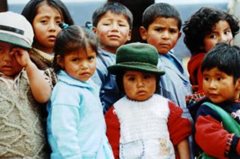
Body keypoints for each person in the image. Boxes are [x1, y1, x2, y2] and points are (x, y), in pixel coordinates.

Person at [105, 42, 192, 159]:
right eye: (131, 79)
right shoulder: (116, 112)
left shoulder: (167, 108)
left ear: (156, 80)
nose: (140, 84)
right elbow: (111, 148)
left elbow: (181, 138)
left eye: (146, 77)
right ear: (121, 81)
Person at [47, 24, 114, 159]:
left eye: (90, 58)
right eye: (76, 60)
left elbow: (97, 131)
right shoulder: (65, 92)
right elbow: (65, 134)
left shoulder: (88, 85)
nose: (85, 66)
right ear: (61, 61)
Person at [0, 11, 52, 158]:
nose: (6, 58)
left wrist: (29, 65)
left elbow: (44, 96)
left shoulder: (32, 76)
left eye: (15, 52)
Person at [139, 2, 192, 121]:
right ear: (144, 33)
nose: (166, 36)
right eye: (159, 30)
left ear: (178, 36)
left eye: (172, 31)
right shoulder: (144, 62)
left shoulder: (174, 60)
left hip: (185, 122)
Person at [191, 43, 240, 158]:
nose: (211, 85)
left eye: (219, 78)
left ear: (238, 83)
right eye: (207, 78)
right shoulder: (207, 110)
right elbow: (209, 138)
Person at [183, 7, 239, 93]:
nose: (223, 39)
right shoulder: (204, 62)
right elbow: (207, 94)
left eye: (226, 32)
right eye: (213, 36)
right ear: (200, 43)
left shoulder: (225, 57)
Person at [91, 1, 133, 112]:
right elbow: (93, 98)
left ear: (129, 35)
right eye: (107, 24)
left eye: (121, 24)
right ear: (94, 31)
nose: (114, 28)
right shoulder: (94, 61)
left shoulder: (131, 60)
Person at [21, 0, 74, 71]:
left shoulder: (73, 57)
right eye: (44, 21)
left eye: (58, 22)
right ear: (29, 24)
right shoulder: (22, 60)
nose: (52, 28)